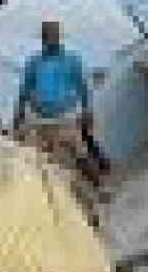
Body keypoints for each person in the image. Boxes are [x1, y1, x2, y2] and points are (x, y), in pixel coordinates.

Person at [14, 19, 102, 198]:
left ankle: (100, 188)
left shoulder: (72, 59)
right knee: (51, 160)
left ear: (59, 37)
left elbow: (83, 86)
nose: (50, 39)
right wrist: (18, 116)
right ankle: (70, 196)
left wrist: (87, 110)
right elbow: (24, 90)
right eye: (46, 36)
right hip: (40, 119)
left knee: (79, 152)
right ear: (42, 39)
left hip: (66, 115)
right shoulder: (34, 62)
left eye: (53, 35)